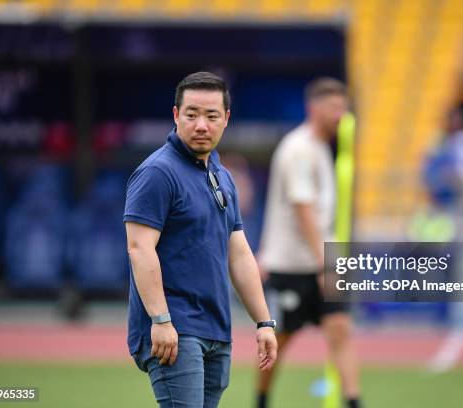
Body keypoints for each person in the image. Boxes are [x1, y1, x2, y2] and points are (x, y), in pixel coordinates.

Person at [124, 71, 278, 408]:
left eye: (211, 116)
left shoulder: (222, 176)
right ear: (176, 115)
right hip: (175, 328)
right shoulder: (157, 173)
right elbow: (139, 249)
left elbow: (238, 253)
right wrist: (161, 320)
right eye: (191, 114)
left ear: (226, 119)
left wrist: (264, 321)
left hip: (216, 329)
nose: (201, 125)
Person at [257, 78, 362, 408]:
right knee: (278, 343)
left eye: (343, 108)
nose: (340, 115)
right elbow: (303, 210)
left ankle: (354, 401)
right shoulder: (298, 149)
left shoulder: (323, 148)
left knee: (341, 330)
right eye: (333, 108)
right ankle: (260, 400)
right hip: (291, 265)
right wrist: (323, 263)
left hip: (322, 261)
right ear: (313, 109)